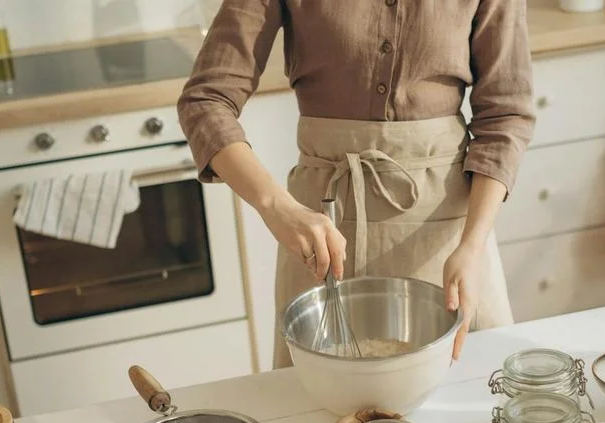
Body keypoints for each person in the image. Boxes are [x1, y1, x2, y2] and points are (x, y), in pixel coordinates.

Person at [177, 0, 535, 368]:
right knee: (317, 413)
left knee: (477, 402)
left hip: (452, 244)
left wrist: (471, 246)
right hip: (321, 237)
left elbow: (505, 114)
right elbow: (206, 100)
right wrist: (276, 207)